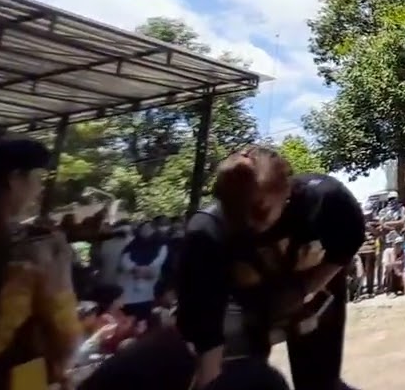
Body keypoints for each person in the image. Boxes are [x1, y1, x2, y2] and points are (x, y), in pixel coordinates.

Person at [176, 145, 365, 390]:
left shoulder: (326, 200)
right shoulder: (206, 233)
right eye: (236, 212)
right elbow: (207, 330)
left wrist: (305, 289)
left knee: (320, 383)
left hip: (312, 283)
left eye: (259, 211)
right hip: (241, 303)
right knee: (244, 378)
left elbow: (347, 243)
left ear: (286, 190)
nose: (248, 223)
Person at [0, 136, 83, 390]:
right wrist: (61, 271)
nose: (40, 188)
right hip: (18, 375)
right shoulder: (29, 251)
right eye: (37, 179)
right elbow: (65, 337)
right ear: (15, 179)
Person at [116, 221, 166, 323]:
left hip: (147, 295)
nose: (146, 231)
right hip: (128, 295)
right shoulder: (131, 245)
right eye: (143, 228)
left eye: (149, 228)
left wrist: (145, 271)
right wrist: (136, 269)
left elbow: (158, 264)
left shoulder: (162, 246)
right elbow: (125, 261)